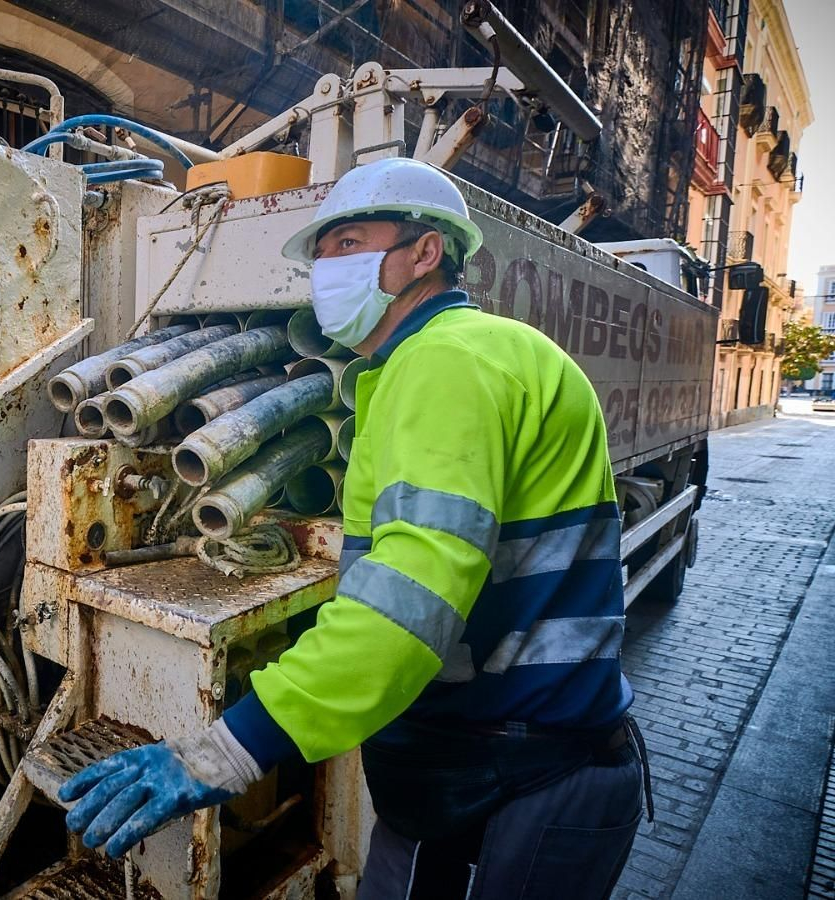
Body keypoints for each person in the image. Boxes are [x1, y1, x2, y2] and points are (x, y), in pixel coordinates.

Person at [59, 157, 648, 898]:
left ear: (425, 252)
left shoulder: (444, 365)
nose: (326, 270)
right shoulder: (479, 352)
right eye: (321, 254)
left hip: (519, 778)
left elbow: (407, 606)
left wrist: (225, 752)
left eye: (350, 244)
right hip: (494, 759)